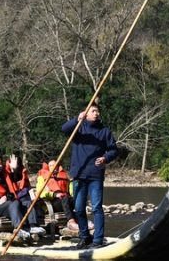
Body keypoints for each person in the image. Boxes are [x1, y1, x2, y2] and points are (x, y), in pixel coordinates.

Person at [62, 103, 118, 249]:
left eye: (97, 111)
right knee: (79, 208)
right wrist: (77, 119)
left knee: (97, 208)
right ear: (86, 114)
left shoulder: (105, 131)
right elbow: (64, 129)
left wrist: (105, 158)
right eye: (93, 111)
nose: (96, 113)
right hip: (79, 174)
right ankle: (85, 237)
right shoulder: (79, 128)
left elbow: (113, 150)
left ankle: (98, 240)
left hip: (95, 175)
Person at [0, 154, 46, 240]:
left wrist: (14, 169)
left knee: (27, 202)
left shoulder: (4, 174)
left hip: (8, 205)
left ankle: (33, 226)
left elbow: (16, 178)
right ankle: (18, 228)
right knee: (14, 202)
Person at [37, 158, 77, 230]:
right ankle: (71, 221)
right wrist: (55, 194)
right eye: (51, 165)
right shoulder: (42, 178)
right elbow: (40, 194)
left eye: (55, 165)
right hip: (52, 203)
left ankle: (83, 221)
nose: (53, 167)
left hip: (66, 201)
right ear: (48, 167)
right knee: (65, 199)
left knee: (77, 199)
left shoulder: (64, 177)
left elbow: (71, 192)